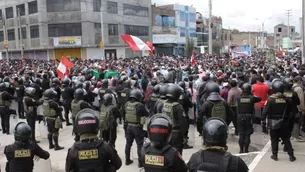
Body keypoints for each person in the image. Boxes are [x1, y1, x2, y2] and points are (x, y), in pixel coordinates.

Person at [262, 80, 296, 162]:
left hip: (274, 122)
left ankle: (275, 155)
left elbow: (265, 112)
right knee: (286, 139)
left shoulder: (270, 100)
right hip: (284, 122)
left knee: (274, 139)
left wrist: (263, 120)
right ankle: (291, 155)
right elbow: (291, 111)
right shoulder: (287, 99)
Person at [122, 89, 149, 167]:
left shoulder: (126, 104)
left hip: (128, 127)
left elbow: (123, 114)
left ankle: (127, 160)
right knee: (139, 145)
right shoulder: (140, 105)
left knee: (128, 144)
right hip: (137, 127)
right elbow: (147, 114)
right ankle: (140, 163)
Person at [162, 84, 187, 155]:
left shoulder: (162, 104)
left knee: (166, 149)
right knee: (177, 150)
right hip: (176, 132)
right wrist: (184, 134)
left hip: (165, 130)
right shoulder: (178, 106)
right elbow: (182, 122)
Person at [237, 83, 261, 153]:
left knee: (241, 134)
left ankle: (241, 150)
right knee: (247, 134)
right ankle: (246, 149)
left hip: (240, 117)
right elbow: (259, 98)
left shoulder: (238, 98)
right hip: (249, 117)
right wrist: (253, 94)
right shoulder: (252, 98)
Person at [283, 77, 301, 143]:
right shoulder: (293, 93)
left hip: (283, 113)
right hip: (292, 112)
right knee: (290, 128)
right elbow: (298, 102)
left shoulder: (281, 94)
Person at [292, 76, 305, 140]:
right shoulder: (299, 89)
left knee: (294, 122)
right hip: (298, 108)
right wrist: (303, 109)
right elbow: (301, 99)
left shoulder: (292, 87)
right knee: (298, 122)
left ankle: (294, 135)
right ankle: (296, 136)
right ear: (299, 81)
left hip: (292, 107)